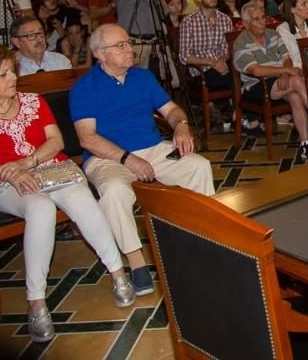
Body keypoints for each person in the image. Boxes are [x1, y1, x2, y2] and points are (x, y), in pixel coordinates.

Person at [0, 45, 135, 342]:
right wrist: (4, 170)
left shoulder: (33, 102)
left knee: (80, 198)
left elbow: (56, 140)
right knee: (40, 208)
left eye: (12, 70)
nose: (13, 77)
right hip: (5, 181)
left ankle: (118, 273)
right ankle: (36, 302)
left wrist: (31, 161)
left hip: (51, 168)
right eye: (3, 74)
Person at [70, 24, 214, 296]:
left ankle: (198, 241)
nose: (130, 49)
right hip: (107, 157)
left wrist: (181, 124)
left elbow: (171, 111)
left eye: (129, 42)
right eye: (121, 45)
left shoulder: (142, 77)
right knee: (114, 192)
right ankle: (136, 262)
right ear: (101, 53)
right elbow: (87, 138)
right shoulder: (84, 88)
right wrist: (128, 159)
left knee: (198, 166)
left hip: (152, 148)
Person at [232, 3, 308, 162]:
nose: (262, 22)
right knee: (297, 80)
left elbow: (287, 58)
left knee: (296, 97)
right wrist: (286, 72)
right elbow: (256, 71)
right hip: (255, 86)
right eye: (256, 19)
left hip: (280, 81)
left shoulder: (273, 34)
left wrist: (285, 72)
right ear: (247, 24)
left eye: (263, 17)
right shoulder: (241, 42)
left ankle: (307, 144)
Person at [178, 0, 235, 90]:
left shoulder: (225, 19)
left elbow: (228, 49)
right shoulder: (189, 21)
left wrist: (222, 61)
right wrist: (212, 62)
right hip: (202, 71)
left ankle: (234, 106)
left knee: (244, 76)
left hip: (223, 66)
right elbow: (184, 56)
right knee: (237, 80)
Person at [276, 0, 308, 70]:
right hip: (297, 71)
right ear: (292, 9)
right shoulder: (283, 30)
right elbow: (290, 59)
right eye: (304, 4)